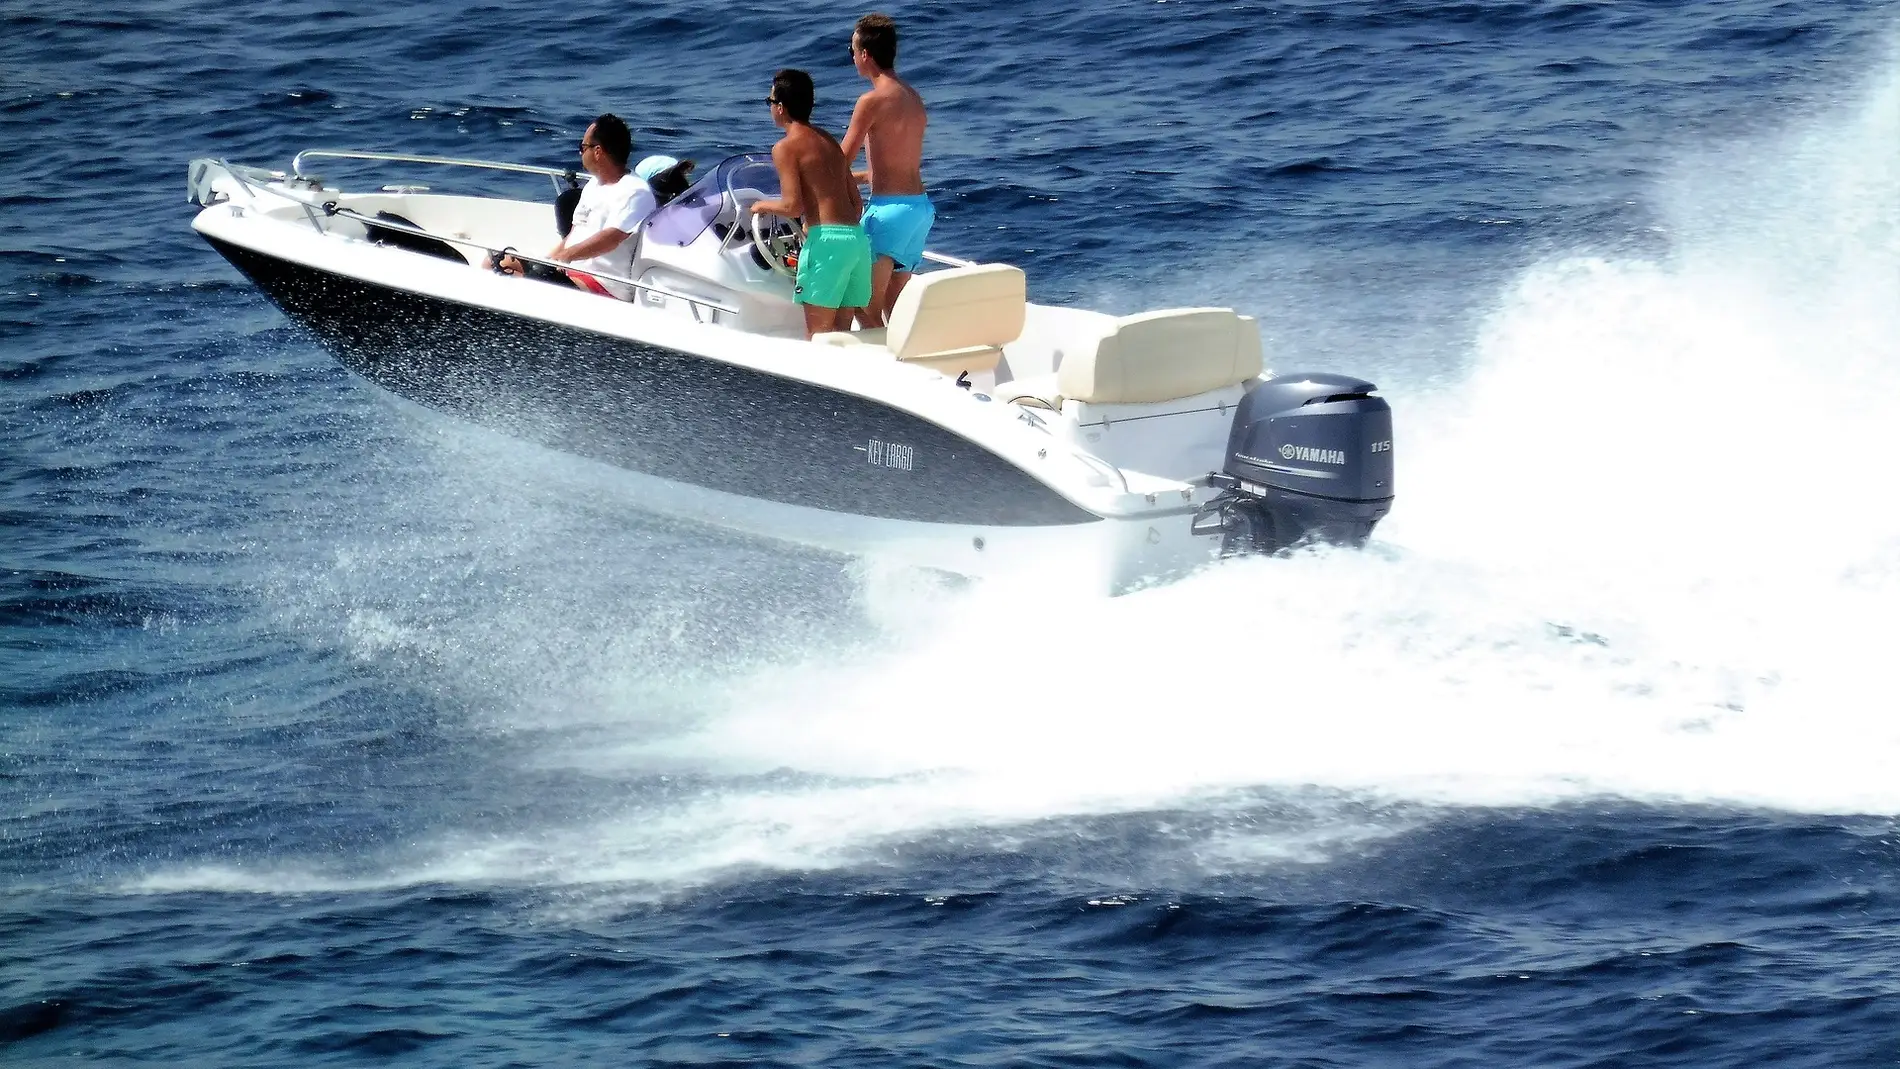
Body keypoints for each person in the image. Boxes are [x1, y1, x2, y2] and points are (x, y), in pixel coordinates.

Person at [750, 69, 872, 338]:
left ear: (780, 108)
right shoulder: (828, 141)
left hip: (826, 244)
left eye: (770, 102)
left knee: (818, 336)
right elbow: (856, 204)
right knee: (843, 335)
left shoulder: (785, 147)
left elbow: (792, 207)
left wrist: (762, 206)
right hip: (855, 241)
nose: (770, 108)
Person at [839, 12, 931, 328]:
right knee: (895, 310)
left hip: (888, 214)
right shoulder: (912, 97)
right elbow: (896, 162)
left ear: (865, 55)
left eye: (852, 51)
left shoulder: (871, 101)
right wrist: (864, 177)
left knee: (864, 308)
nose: (851, 57)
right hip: (918, 210)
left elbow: (839, 162)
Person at [502, 113, 655, 299]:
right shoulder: (593, 185)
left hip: (602, 284)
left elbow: (611, 238)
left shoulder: (635, 191)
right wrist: (548, 260)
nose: (580, 153)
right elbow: (574, 234)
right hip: (572, 271)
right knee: (498, 263)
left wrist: (565, 257)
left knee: (538, 279)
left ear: (598, 151)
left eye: (582, 147)